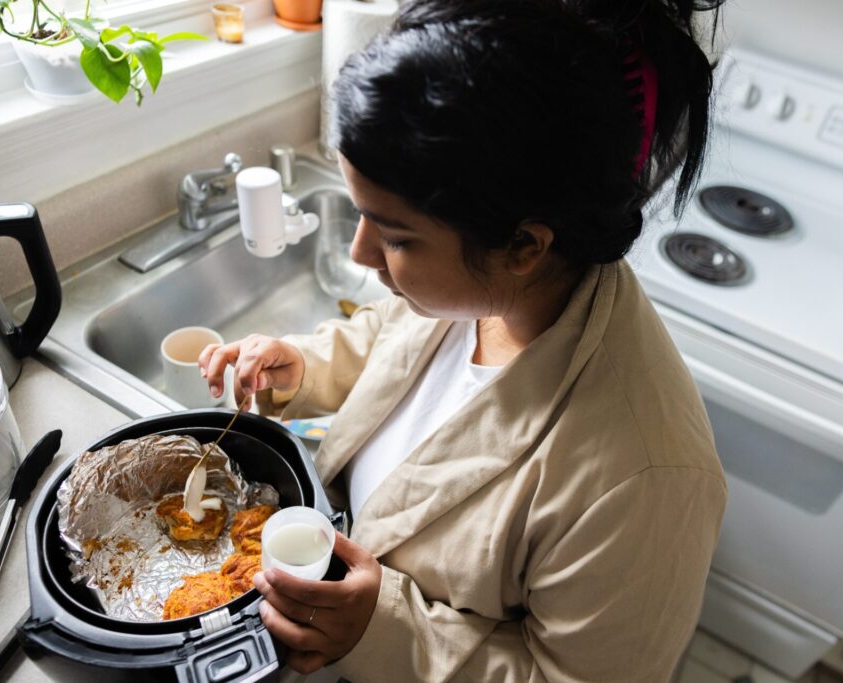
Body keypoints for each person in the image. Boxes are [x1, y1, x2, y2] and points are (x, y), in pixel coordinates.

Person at [199, 0, 727, 679]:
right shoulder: (479, 288)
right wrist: (305, 366)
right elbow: (391, 342)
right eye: (363, 216)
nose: (360, 253)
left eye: (395, 236)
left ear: (524, 246)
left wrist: (385, 629)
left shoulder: (643, 480)